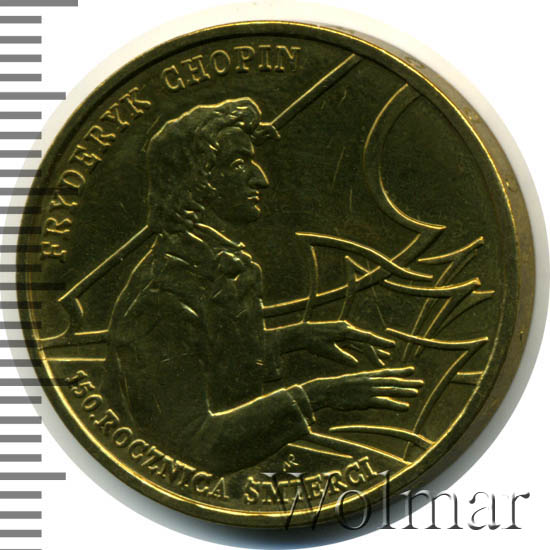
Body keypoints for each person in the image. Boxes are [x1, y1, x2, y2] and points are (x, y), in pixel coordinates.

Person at [107, 98, 422, 474]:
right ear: (196, 180)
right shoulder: (161, 300)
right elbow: (192, 446)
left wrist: (295, 338)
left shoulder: (210, 265)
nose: (260, 178)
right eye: (239, 163)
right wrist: (320, 395)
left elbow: (210, 360)